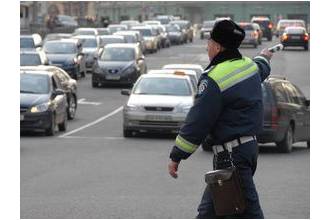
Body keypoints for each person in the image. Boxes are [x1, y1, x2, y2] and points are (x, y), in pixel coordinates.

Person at [168, 19, 273, 218]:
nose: (207, 47)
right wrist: (265, 57)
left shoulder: (214, 78)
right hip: (247, 150)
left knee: (250, 212)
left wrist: (177, 155)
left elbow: (198, 120)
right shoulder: (248, 66)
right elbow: (261, 69)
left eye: (208, 42)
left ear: (217, 46)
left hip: (232, 156)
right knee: (210, 211)